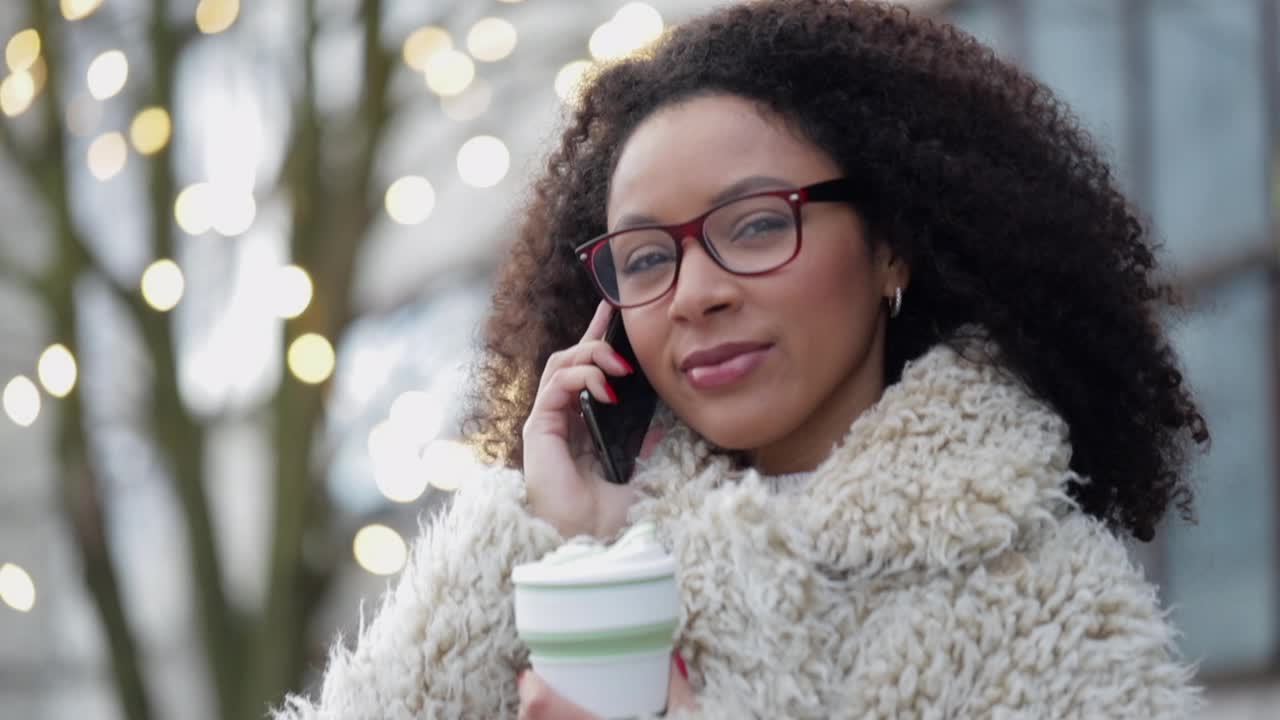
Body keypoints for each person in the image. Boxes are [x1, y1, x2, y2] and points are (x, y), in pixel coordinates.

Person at [274, 0, 1211, 717]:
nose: (694, 293)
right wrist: (579, 544)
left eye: (759, 224)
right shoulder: (546, 555)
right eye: (646, 256)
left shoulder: (1052, 614)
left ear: (893, 245)